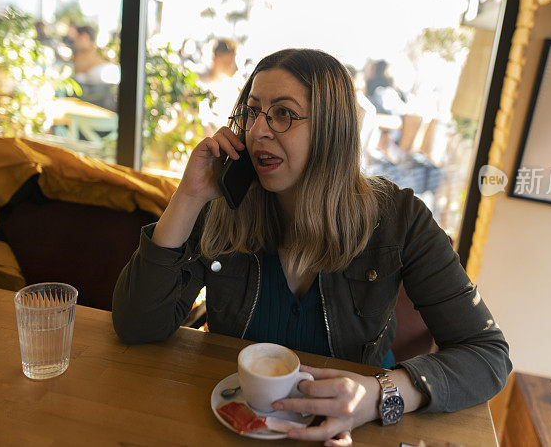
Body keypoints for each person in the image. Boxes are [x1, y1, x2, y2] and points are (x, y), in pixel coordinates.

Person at [112, 49, 511, 445]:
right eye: (253, 111)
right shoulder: (224, 203)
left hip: (353, 427)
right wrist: (189, 196)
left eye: (283, 113)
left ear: (331, 130)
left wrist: (378, 395)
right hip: (239, 422)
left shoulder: (398, 218)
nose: (258, 131)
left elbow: (487, 353)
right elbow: (137, 326)